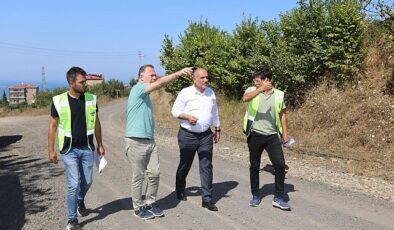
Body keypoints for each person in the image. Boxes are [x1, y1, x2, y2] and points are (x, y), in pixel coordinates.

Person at [125, 64, 193, 220]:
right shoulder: (138, 89)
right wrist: (178, 73)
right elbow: (160, 84)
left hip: (149, 140)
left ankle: (150, 203)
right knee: (138, 176)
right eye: (151, 75)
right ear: (141, 77)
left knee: (154, 174)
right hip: (135, 140)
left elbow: (159, 81)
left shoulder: (144, 91)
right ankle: (138, 207)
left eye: (155, 75)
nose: (154, 77)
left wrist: (163, 77)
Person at [48, 66, 106, 230]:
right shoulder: (58, 100)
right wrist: (51, 150)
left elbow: (96, 122)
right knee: (73, 184)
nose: (85, 84)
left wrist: (100, 144)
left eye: (85, 80)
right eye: (82, 81)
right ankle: (72, 219)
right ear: (72, 83)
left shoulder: (91, 99)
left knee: (87, 182)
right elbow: (52, 126)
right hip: (69, 150)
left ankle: (79, 200)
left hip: (87, 147)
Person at [171, 68, 221, 212]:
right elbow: (174, 111)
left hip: (206, 135)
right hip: (188, 135)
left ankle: (207, 199)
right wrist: (187, 117)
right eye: (202, 77)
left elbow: (214, 112)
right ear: (194, 79)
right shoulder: (185, 92)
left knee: (206, 165)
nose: (206, 80)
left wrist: (217, 128)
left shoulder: (210, 92)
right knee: (185, 163)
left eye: (207, 77)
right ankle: (180, 189)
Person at [242, 67, 291, 211]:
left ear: (267, 80)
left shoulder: (279, 95)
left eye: (258, 80)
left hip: (272, 136)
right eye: (255, 80)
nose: (255, 82)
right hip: (255, 134)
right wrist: (259, 89)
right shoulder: (252, 90)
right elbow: (245, 99)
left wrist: (285, 133)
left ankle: (279, 197)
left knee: (280, 166)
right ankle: (256, 195)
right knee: (254, 166)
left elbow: (282, 114)